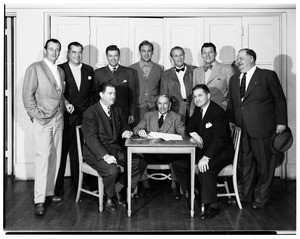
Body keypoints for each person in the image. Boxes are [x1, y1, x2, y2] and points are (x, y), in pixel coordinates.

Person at [227, 48, 287, 209]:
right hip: (241, 129)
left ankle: (261, 198)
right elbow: (232, 105)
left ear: (252, 58)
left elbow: (279, 100)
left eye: (241, 58)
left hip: (262, 128)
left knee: (264, 164)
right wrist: (231, 122)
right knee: (244, 164)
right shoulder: (233, 79)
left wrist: (281, 123)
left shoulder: (267, 76)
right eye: (237, 58)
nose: (238, 61)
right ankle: (245, 197)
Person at [22, 38, 74, 216]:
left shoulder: (60, 71)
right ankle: (39, 200)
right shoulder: (35, 68)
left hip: (58, 119)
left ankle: (49, 192)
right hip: (43, 120)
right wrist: (36, 115)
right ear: (45, 50)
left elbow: (59, 95)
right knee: (42, 158)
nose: (54, 52)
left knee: (55, 157)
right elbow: (27, 97)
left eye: (57, 50)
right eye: (51, 49)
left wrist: (66, 103)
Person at [81, 82, 147, 213]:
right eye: (110, 93)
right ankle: (110, 197)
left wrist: (126, 131)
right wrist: (105, 156)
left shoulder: (117, 110)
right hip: (95, 152)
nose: (113, 96)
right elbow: (91, 139)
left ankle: (116, 189)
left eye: (114, 93)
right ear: (101, 95)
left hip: (114, 149)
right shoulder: (91, 112)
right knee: (112, 170)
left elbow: (124, 126)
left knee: (140, 163)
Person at [172, 84, 234, 219]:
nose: (197, 99)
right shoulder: (198, 110)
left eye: (200, 95)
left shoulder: (218, 112)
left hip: (222, 151)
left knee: (206, 167)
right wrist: (195, 135)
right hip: (206, 149)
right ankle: (194, 190)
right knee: (177, 163)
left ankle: (212, 205)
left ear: (208, 96)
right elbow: (189, 127)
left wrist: (206, 157)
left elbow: (218, 140)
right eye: (194, 97)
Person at [54, 42, 95, 198]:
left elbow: (92, 95)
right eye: (74, 52)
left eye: (79, 52)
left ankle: (79, 184)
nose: (77, 55)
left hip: (84, 118)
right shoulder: (60, 69)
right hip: (65, 118)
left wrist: (89, 114)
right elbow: (57, 92)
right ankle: (57, 188)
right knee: (61, 152)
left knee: (81, 153)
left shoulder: (89, 70)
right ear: (68, 54)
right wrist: (66, 104)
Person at [133, 94, 185, 199]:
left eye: (165, 103)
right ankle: (144, 184)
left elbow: (182, 136)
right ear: (157, 104)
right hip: (150, 153)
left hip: (169, 154)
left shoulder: (177, 117)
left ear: (170, 105)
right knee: (137, 155)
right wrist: (140, 131)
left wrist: (169, 138)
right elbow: (136, 128)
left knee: (179, 157)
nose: (162, 106)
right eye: (160, 103)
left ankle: (174, 185)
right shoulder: (148, 116)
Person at [94, 45, 136, 125]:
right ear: (106, 57)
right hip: (105, 113)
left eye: (115, 55)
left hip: (123, 113)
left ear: (119, 56)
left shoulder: (128, 72)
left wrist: (132, 113)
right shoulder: (98, 73)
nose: (113, 58)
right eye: (110, 56)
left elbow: (132, 95)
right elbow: (95, 96)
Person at [129, 40, 163, 127]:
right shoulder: (131, 69)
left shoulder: (159, 69)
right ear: (139, 52)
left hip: (154, 108)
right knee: (137, 135)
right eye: (143, 51)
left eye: (149, 51)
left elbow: (161, 89)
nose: (146, 54)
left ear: (152, 52)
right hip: (137, 110)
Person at [193, 42, 235, 111]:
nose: (207, 55)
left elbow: (232, 94)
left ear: (215, 54)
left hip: (220, 110)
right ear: (201, 54)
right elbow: (194, 95)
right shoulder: (196, 71)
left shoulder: (227, 70)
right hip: (201, 111)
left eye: (210, 52)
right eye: (204, 53)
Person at [160, 46, 196, 123]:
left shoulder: (195, 70)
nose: (179, 58)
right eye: (176, 56)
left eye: (181, 55)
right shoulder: (165, 74)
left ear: (184, 55)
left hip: (194, 108)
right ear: (171, 58)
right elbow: (164, 95)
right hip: (175, 109)